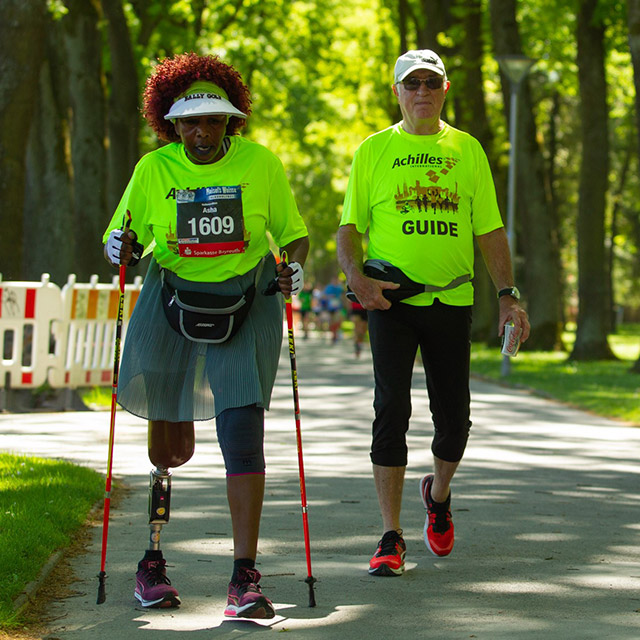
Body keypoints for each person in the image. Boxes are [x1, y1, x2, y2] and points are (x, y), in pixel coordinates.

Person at [102, 52, 309, 618]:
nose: (201, 131)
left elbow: (293, 235)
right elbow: (122, 236)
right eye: (189, 121)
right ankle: (152, 561)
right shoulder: (153, 170)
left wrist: (292, 265)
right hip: (169, 301)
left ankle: (244, 577)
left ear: (230, 121)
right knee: (167, 445)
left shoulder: (261, 165)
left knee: (242, 433)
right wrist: (118, 248)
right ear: (171, 124)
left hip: (247, 303)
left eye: (213, 119)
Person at [336, 49, 530, 577]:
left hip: (452, 299)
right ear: (397, 92)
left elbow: (488, 229)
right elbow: (349, 228)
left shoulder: (467, 150)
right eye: (411, 83)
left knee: (454, 422)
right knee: (390, 410)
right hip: (390, 300)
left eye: (431, 82)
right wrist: (356, 279)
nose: (421, 91)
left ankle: (438, 495)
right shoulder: (373, 151)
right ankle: (390, 535)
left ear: (445, 90)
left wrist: (508, 295)